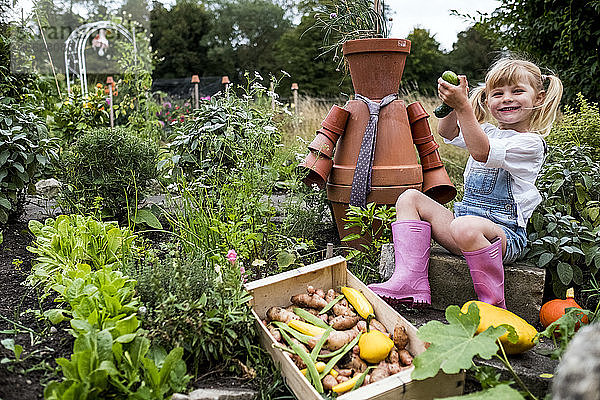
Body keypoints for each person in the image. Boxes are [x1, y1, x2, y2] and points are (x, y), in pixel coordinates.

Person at [369, 57, 563, 309]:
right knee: (409, 198)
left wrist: (464, 108)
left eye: (517, 91)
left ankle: (493, 305)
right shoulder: (487, 131)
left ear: (538, 98)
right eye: (497, 93)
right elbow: (448, 132)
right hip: (461, 229)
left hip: (501, 239)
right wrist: (450, 104)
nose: (506, 98)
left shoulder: (531, 144)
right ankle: (411, 283)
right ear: (487, 99)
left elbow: (482, 152)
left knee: (464, 227)